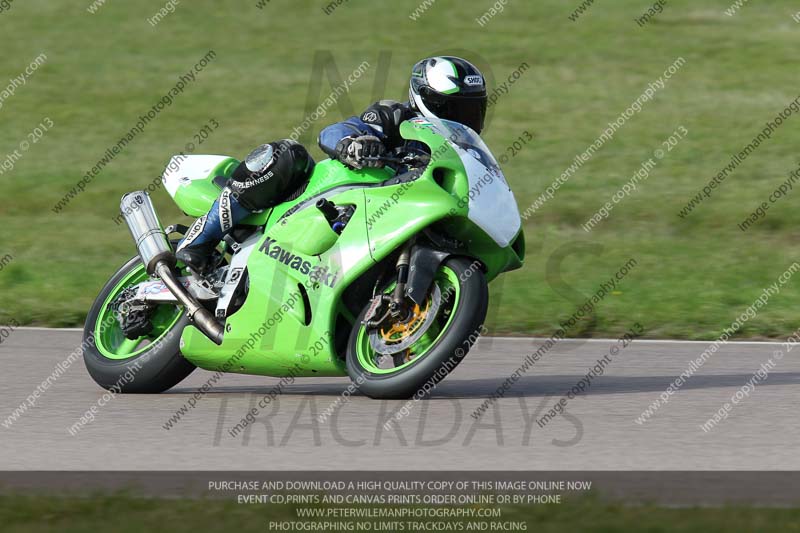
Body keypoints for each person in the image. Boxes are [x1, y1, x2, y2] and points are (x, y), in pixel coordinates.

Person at [175, 56, 488, 272]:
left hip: (389, 222)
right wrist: (351, 144)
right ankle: (199, 242)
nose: (461, 119)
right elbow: (335, 131)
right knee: (286, 154)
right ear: (424, 100)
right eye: (451, 108)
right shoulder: (395, 118)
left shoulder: (463, 154)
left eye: (471, 110)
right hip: (331, 200)